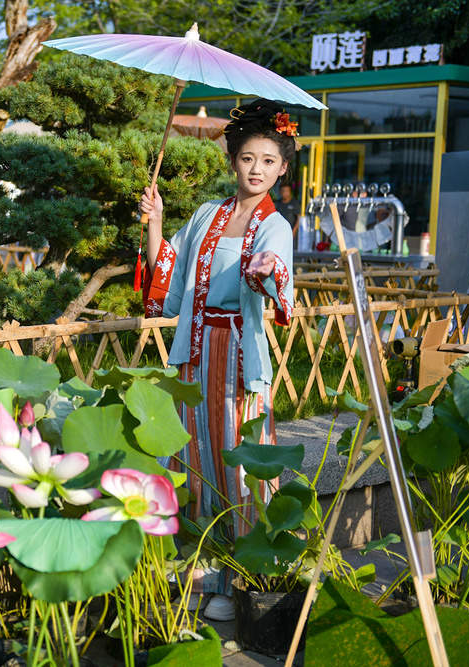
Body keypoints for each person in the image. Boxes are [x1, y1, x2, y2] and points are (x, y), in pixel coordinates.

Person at [138, 99, 295, 622]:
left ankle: (242, 575)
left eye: (269, 161)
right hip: (195, 349)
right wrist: (155, 221)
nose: (257, 170)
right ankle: (197, 568)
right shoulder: (208, 213)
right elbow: (172, 268)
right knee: (192, 454)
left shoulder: (277, 226)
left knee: (239, 460)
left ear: (282, 168)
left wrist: (265, 271)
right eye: (249, 158)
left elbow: (277, 275)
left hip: (239, 353)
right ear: (234, 161)